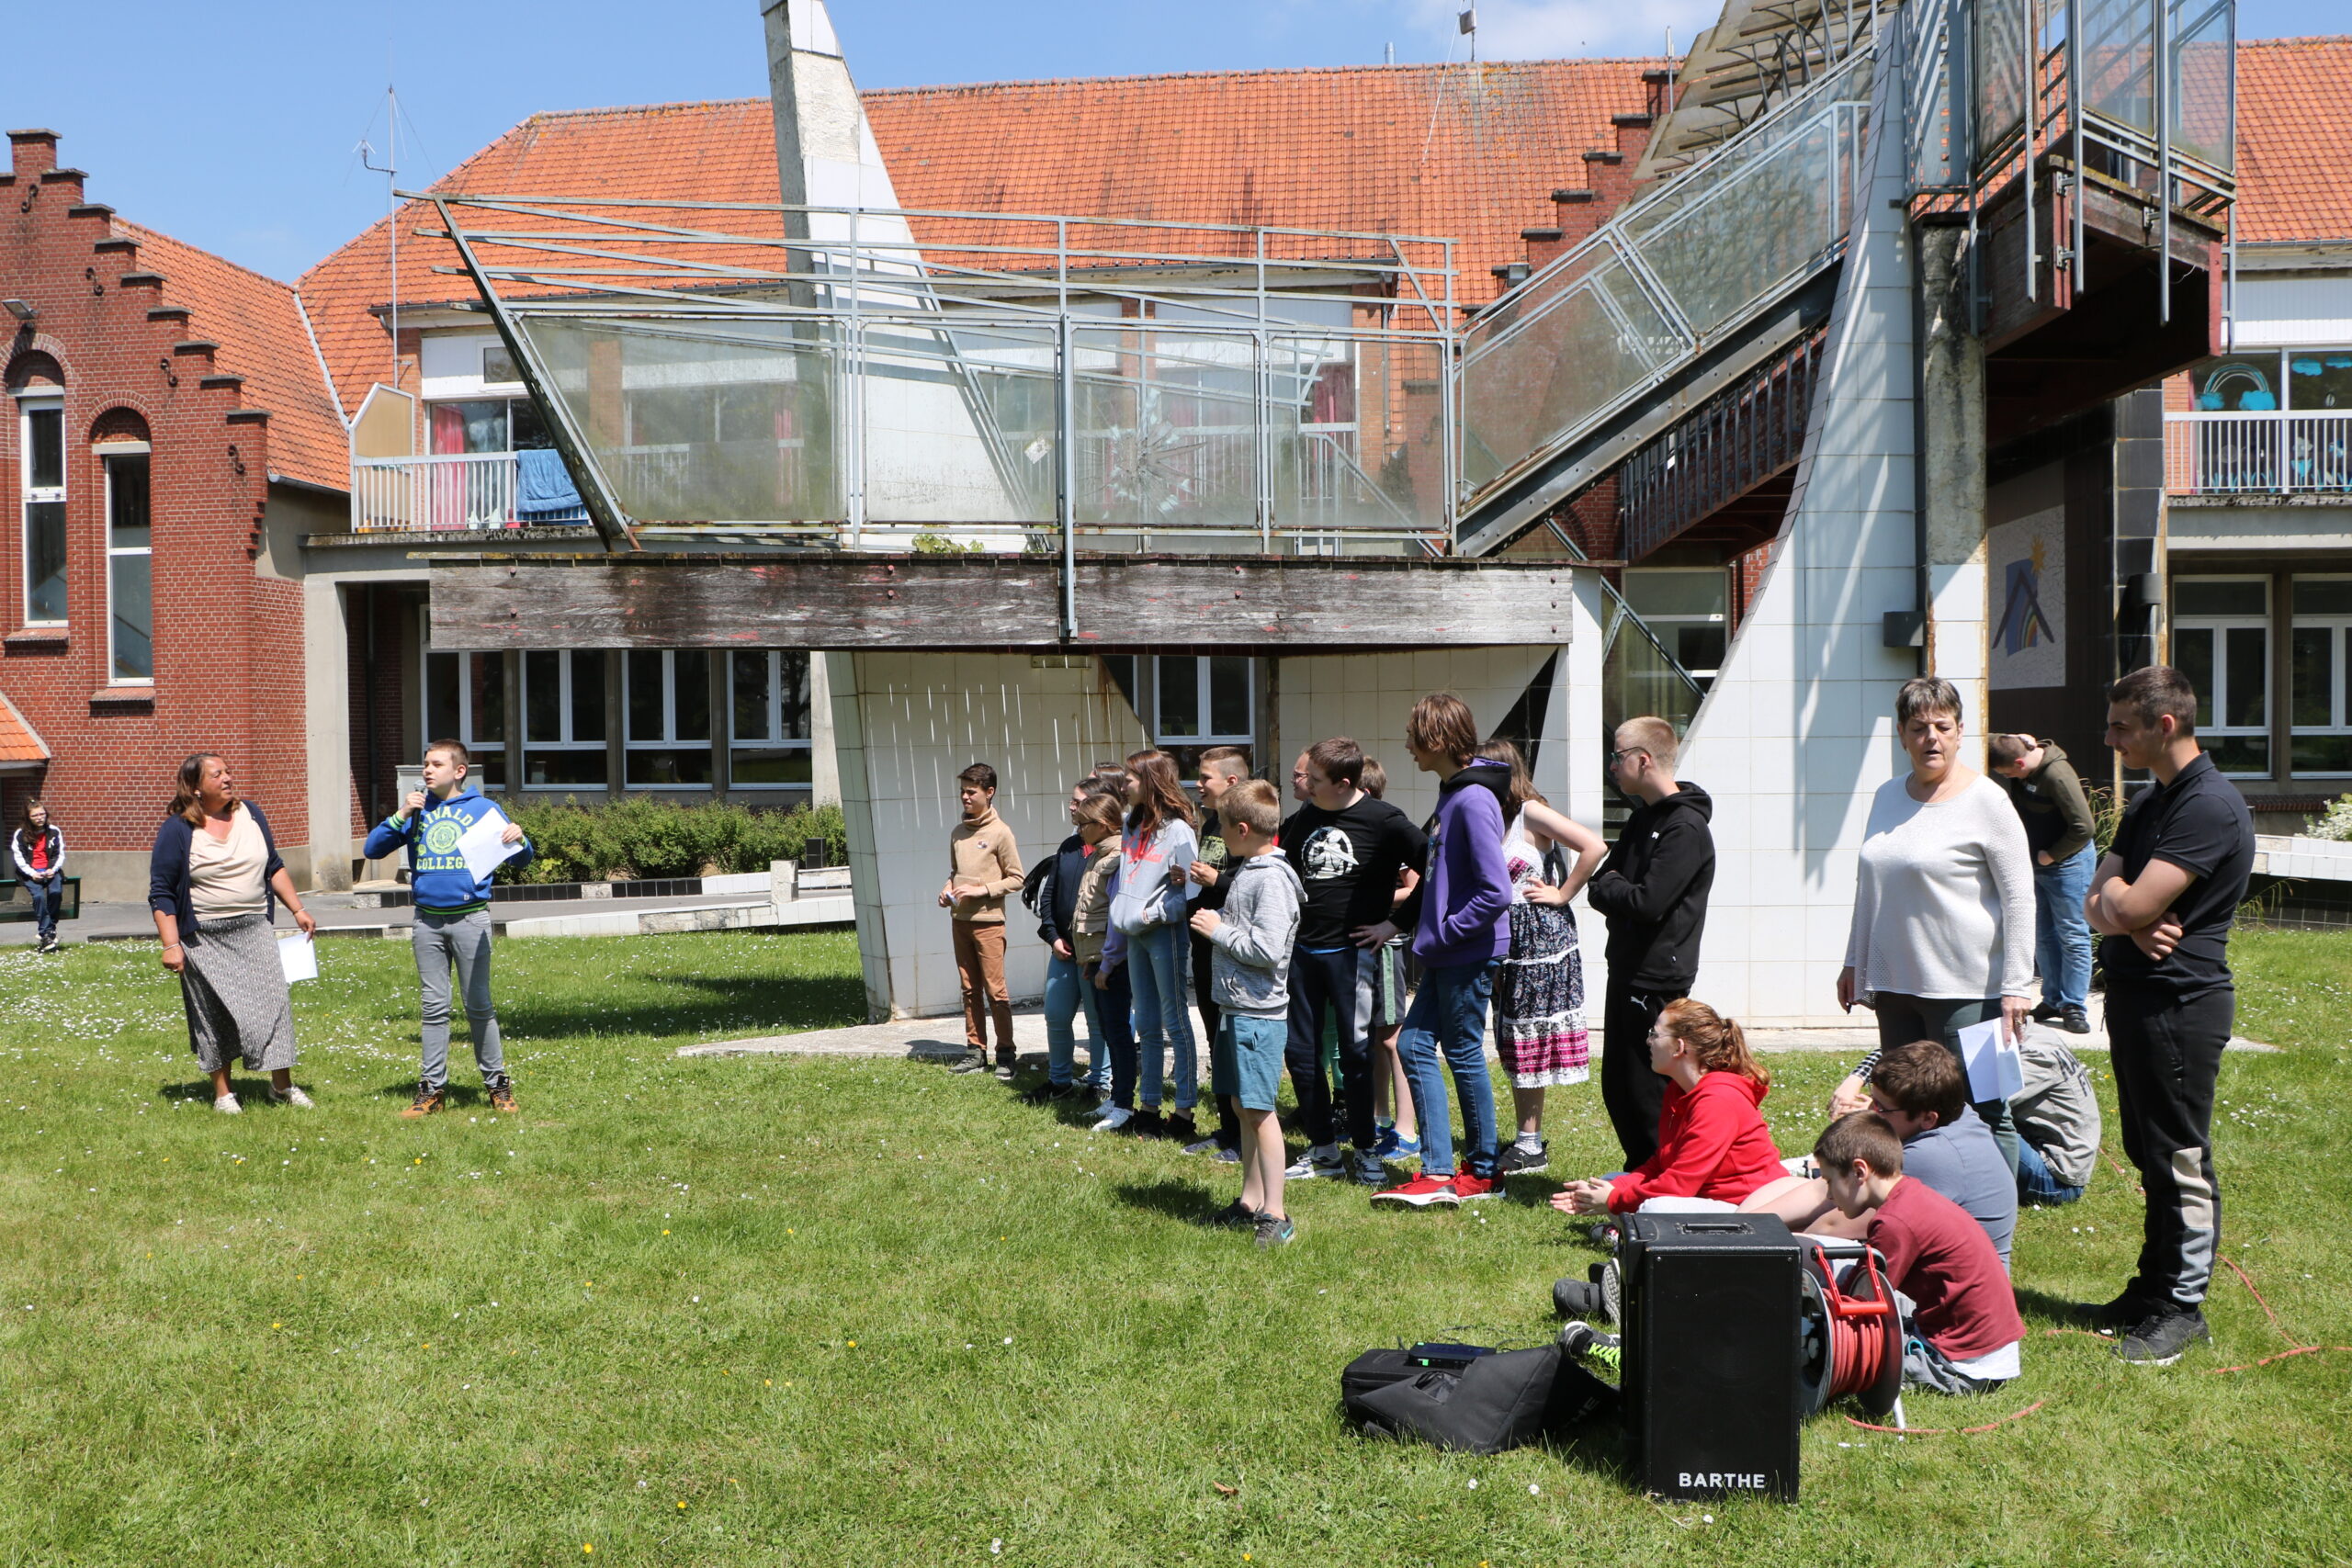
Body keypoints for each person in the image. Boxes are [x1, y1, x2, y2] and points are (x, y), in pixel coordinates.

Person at [2074, 664, 2255, 1364]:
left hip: (2182, 1003)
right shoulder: (2156, 798)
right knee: (2147, 1151)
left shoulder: (2206, 805)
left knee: (2179, 1156)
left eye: (2122, 725)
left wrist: (2122, 910)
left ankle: (2182, 1308)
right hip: (2137, 997)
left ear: (2164, 725)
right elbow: (2100, 898)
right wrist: (2122, 913)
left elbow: (2122, 904)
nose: (2111, 737)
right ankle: (2150, 1291)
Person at [1833, 677, 2035, 1174]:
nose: (1932, 738)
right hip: (1897, 985)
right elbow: (1870, 885)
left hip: (1971, 988)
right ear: (1902, 734)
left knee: (1986, 1109)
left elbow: (2020, 898)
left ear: (1961, 731)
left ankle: (1993, 1219)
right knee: (1901, 1108)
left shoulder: (1988, 800)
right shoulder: (1885, 796)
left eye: (1943, 727)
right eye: (1919, 727)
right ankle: (1926, 1201)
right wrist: (1854, 961)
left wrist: (2016, 987)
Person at [1371, 694, 1513, 1208]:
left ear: (1436, 739)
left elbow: (1495, 891)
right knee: (1412, 1046)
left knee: (1462, 1052)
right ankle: (1434, 1171)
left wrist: (1447, 932)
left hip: (1466, 951)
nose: (1407, 745)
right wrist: (1405, 924)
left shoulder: (1473, 800)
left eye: (1413, 735)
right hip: (1446, 951)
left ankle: (1482, 1171)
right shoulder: (1454, 793)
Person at [1277, 736, 1430, 1187]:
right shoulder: (1305, 817)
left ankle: (1366, 1151)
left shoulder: (1384, 820)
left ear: (1344, 783)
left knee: (1358, 1057)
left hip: (1354, 957)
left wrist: (1395, 924)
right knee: (1301, 1056)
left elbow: (1438, 866)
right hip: (1302, 954)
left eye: (1315, 779)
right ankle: (1324, 1149)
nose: (1304, 784)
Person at [363, 739, 534, 1117]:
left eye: (436, 764)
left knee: (479, 1006)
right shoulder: (417, 811)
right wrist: (402, 813)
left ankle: (497, 1085)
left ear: (459, 771)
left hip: (471, 918)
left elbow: (523, 857)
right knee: (433, 1008)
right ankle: (431, 1090)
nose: (427, 770)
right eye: (425, 763)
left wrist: (519, 838)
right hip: (427, 922)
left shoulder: (482, 809)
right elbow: (372, 850)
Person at [1744, 1041, 2017, 1264]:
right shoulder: (1957, 1115)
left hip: (1938, 1288)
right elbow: (1823, 1191)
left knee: (1795, 1252)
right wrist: (1742, 1226)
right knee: (1786, 1185)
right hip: (1913, 1257)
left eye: (1882, 1108)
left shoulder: (1930, 1156)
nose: (1872, 1112)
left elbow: (1834, 1225)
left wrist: (1757, 1241)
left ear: (1927, 1118)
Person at [149, 753, 316, 1114]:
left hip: (254, 927)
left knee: (274, 1006)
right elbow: (161, 891)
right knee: (213, 1013)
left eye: (227, 772)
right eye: (217, 774)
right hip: (204, 937)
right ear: (195, 787)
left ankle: (281, 1086)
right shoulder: (178, 829)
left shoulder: (250, 814)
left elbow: (273, 865)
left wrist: (298, 909)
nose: (227, 778)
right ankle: (224, 1095)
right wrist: (171, 945)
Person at [1815, 1111, 2026, 1395]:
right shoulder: (1912, 1196)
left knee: (1837, 1353)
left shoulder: (1895, 1222)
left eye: (1829, 1181)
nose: (1829, 1195)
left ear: (1859, 1172)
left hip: (1960, 1363)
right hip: (1986, 1349)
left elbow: (1864, 1297)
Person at [1584, 716, 1714, 1169]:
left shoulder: (1685, 828)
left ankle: (1660, 1171)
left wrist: (1619, 890)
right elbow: (1598, 884)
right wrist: (1619, 890)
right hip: (1626, 967)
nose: (1612, 768)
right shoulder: (1643, 820)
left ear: (1643, 760)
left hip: (1657, 975)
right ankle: (1643, 1167)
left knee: (1646, 1084)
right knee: (1617, 1082)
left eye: (1617, 757)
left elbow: (1649, 902)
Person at [1476, 739, 1606, 1177]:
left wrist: (1563, 893)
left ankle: (1529, 1143)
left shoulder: (1530, 811)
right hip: (1503, 940)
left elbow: (1594, 845)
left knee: (1527, 1040)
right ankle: (1525, 1140)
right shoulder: (1492, 817)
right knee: (1512, 1039)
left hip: (1539, 942)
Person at [1189, 779, 1306, 1247]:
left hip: (1258, 1015)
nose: (1218, 835)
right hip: (1237, 1008)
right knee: (1242, 1105)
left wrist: (1219, 931)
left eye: (1220, 826)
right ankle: (1250, 1199)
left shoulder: (1270, 879)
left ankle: (1276, 1214)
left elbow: (1268, 950)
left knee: (1260, 1111)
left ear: (1241, 829)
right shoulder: (1251, 871)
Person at [1550, 998, 1782, 1218]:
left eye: (1655, 1034)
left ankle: (1636, 1232)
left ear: (1678, 1047)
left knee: (1655, 1208)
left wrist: (1613, 1199)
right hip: (1702, 1196)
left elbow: (1679, 1184)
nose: (1649, 1041)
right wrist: (1612, 1189)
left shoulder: (1718, 1100)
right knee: (1612, 1180)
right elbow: (1661, 1164)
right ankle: (1634, 1231)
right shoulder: (1678, 1089)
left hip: (1746, 1207)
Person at [1111, 750, 1202, 1141]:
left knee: (1175, 1022)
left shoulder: (1179, 831)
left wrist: (1152, 916)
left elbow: (1192, 891)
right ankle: (1148, 1109)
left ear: (1151, 780)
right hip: (1135, 937)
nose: (1124, 784)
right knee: (1145, 1024)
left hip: (1163, 934)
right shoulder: (1132, 824)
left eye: (1131, 777)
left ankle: (1183, 1113)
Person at [1989, 733, 2098, 1034]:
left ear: (2021, 763)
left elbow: (2084, 827)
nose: (2007, 778)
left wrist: (2051, 856)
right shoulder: (2020, 755)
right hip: (2035, 865)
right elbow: (1986, 739)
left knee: (2072, 935)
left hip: (2068, 865)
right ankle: (2052, 1000)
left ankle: (2074, 1005)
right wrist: (2018, 735)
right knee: (2043, 935)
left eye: (2009, 773)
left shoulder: (2056, 775)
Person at [1182, 746, 1255, 1162]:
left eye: (1205, 776)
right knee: (1216, 1039)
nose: (1198, 783)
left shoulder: (1249, 824)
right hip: (1205, 946)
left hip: (1235, 949)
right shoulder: (1212, 821)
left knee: (1234, 1042)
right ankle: (1228, 1130)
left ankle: (1246, 1133)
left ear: (1230, 782)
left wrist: (1217, 880)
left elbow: (1254, 888)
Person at [1025, 783, 1116, 1103]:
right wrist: (1053, 937)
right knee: (1056, 1013)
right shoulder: (1069, 846)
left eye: (1078, 802)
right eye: (1071, 802)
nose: (1071, 807)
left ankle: (1100, 1082)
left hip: (1093, 953)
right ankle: (1060, 1080)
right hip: (1063, 951)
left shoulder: (1113, 851)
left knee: (1097, 1020)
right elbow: (1049, 896)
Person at [935, 762, 1025, 1081]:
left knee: (995, 991)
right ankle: (975, 1051)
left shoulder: (1001, 833)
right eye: (962, 790)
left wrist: (981, 890)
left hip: (988, 923)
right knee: (969, 989)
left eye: (971, 791)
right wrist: (947, 891)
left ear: (989, 792)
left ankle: (1006, 1053)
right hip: (959, 920)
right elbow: (954, 873)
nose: (964, 797)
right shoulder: (958, 833)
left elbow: (1017, 879)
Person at [1359, 758, 1420, 1163]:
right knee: (1374, 1039)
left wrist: (1374, 906)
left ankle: (1407, 1129)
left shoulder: (1389, 835)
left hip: (1387, 947)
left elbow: (1415, 888)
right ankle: (1381, 1118)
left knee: (1393, 1038)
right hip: (1364, 944)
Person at [2012, 1032, 2099, 1207]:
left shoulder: (2035, 1054)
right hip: (2065, 1167)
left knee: (1976, 1122)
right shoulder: (2041, 1036)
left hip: (2057, 1180)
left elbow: (1985, 1103)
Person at [11, 800, 65, 953]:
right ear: (28, 817)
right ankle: (46, 934)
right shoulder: (20, 834)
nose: (39, 818)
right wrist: (32, 873)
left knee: (55, 892)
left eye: (42, 814)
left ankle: (49, 931)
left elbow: (59, 854)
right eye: (35, 815)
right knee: (39, 897)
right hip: (30, 873)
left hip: (50, 871)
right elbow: (19, 858)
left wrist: (52, 869)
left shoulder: (54, 831)